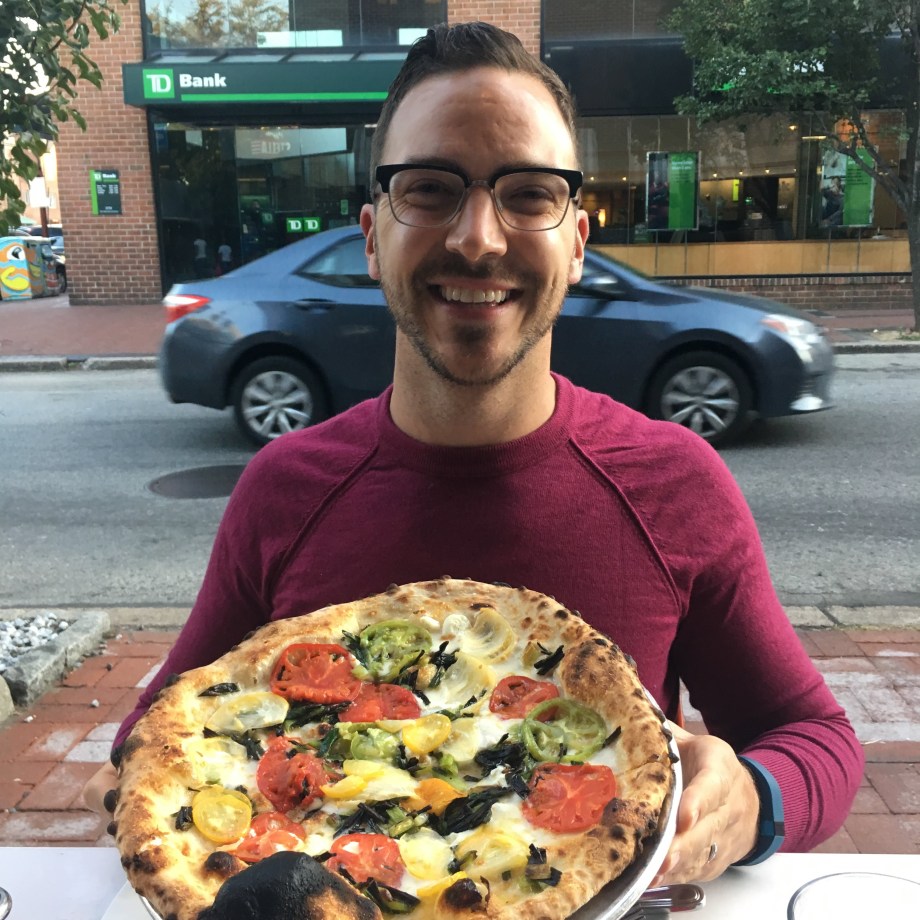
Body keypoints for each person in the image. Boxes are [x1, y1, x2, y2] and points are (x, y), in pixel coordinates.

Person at [85, 21, 863, 886]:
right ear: (372, 234)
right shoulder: (285, 487)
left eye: (529, 194)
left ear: (577, 240)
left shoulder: (673, 482)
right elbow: (154, 734)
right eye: (429, 189)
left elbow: (815, 740)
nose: (479, 238)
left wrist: (750, 799)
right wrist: (145, 784)